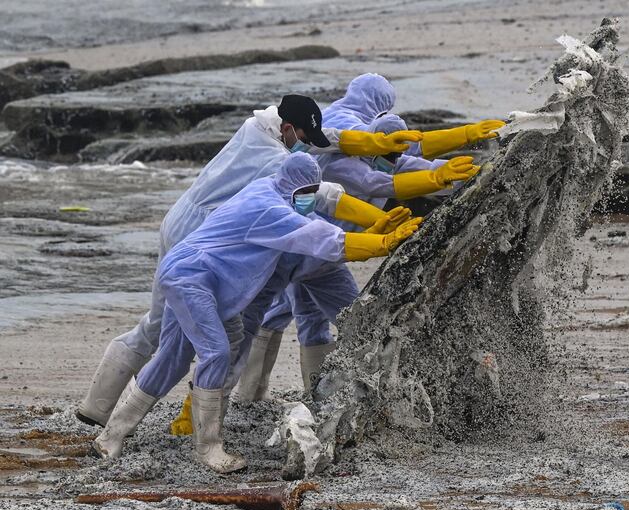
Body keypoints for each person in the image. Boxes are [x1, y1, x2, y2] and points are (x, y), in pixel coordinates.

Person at [77, 94, 423, 428]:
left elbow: (327, 140)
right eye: (303, 136)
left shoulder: (255, 127)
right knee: (197, 334)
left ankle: (98, 408)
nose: (307, 144)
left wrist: (374, 145)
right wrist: (376, 229)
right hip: (199, 237)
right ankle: (184, 417)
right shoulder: (273, 162)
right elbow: (323, 198)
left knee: (159, 324)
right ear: (287, 128)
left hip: (182, 219)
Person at [92, 153, 422, 473]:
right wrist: (382, 243)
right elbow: (318, 236)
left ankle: (111, 436)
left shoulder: (269, 186)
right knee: (217, 352)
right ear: (294, 188)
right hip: (192, 277)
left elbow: (318, 211)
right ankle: (208, 447)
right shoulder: (269, 210)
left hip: (183, 269)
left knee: (173, 358)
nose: (309, 199)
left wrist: (373, 228)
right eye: (305, 193)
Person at [233, 74, 503, 402]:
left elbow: (400, 155)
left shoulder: (359, 122)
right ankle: (322, 398)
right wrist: (441, 170)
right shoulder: (350, 132)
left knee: (291, 315)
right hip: (316, 245)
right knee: (353, 321)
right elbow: (377, 178)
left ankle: (269, 399)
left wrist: (474, 172)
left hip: (309, 246)